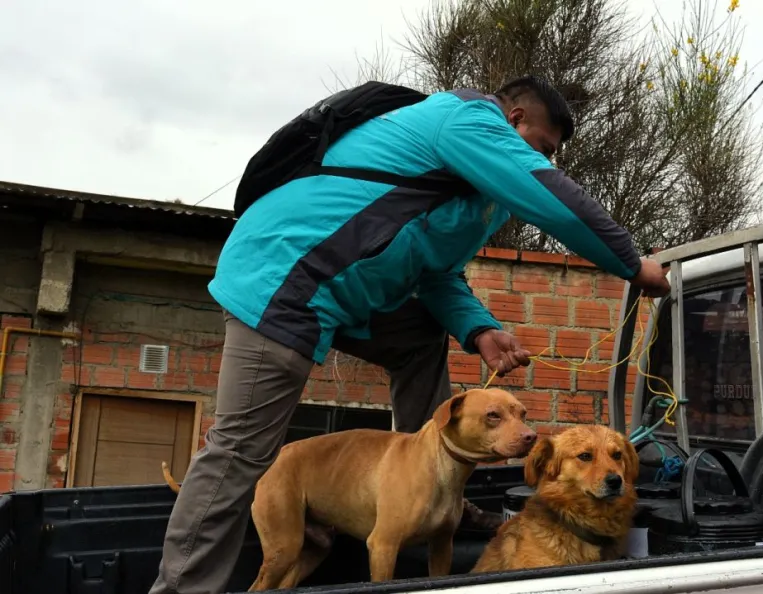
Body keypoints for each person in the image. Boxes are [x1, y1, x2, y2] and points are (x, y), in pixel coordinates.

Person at [149, 75, 671, 594]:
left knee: (421, 334)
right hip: (283, 277)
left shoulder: (474, 199)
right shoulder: (465, 118)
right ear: (513, 121)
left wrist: (479, 328)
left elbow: (437, 274)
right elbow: (547, 193)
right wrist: (629, 262)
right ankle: (181, 588)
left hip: (341, 292)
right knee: (242, 450)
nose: (543, 162)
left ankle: (440, 495)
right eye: (541, 147)